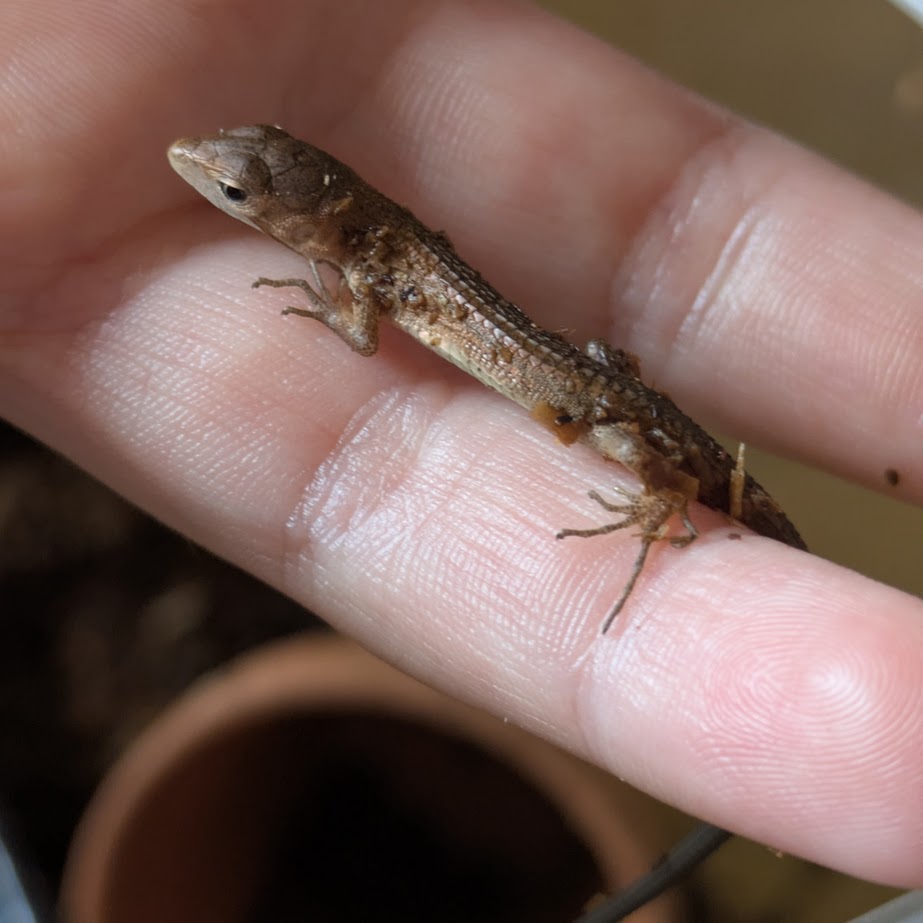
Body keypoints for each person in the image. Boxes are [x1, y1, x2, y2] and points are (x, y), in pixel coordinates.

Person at [1, 0, 920, 905]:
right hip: (579, 379)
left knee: (615, 422)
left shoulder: (363, 261)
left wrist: (330, 304)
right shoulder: (366, 232)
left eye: (238, 191)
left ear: (311, 207)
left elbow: (363, 338)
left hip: (579, 397)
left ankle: (668, 489)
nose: (208, 176)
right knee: (602, 383)